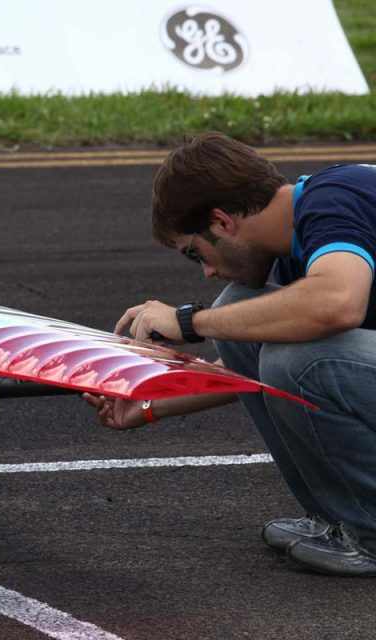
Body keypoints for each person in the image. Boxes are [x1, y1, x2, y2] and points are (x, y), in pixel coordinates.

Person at [82, 132, 376, 577]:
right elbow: (252, 364)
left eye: (194, 253)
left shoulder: (335, 198)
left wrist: (189, 322)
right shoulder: (308, 228)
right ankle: (337, 521)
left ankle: (370, 534)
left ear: (221, 222)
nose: (206, 270)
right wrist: (150, 404)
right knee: (245, 317)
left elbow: (337, 303)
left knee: (297, 359)